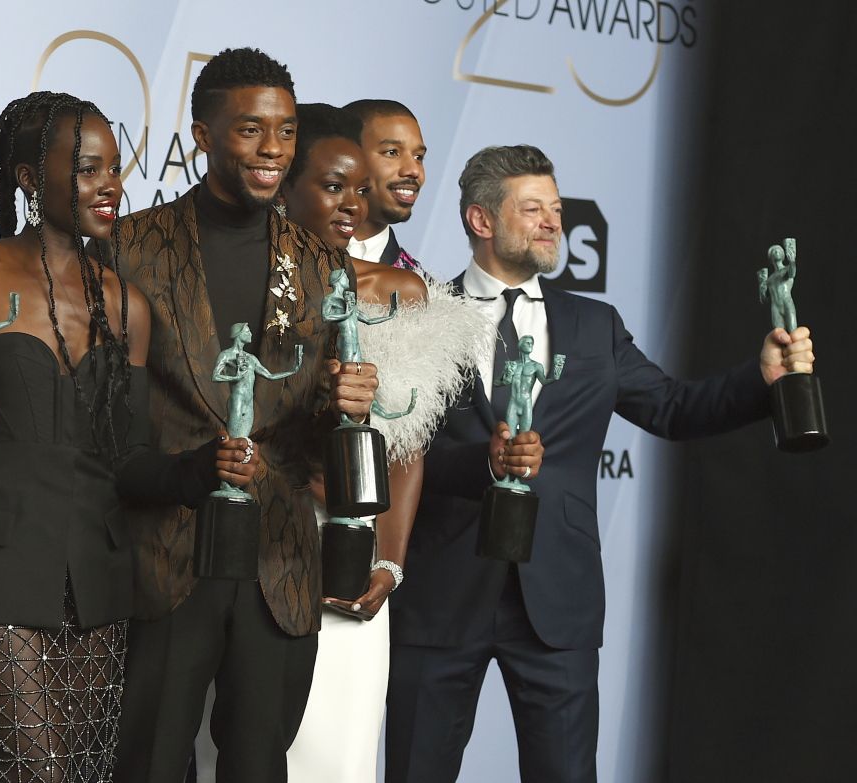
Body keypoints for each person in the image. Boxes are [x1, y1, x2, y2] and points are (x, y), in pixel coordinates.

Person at [384, 144, 818, 783]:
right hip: (442, 595)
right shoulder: (424, 313)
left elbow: (674, 410)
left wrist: (762, 380)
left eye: (556, 209)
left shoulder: (595, 325)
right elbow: (399, 452)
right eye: (533, 209)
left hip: (557, 600)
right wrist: (484, 461)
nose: (553, 222)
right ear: (481, 220)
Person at [0, 90, 258, 783]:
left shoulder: (126, 304)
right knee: (32, 772)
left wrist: (203, 467)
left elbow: (128, 462)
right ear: (29, 178)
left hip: (99, 584)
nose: (110, 184)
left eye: (114, 168)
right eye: (87, 169)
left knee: (84, 773)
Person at [106, 48, 380, 783]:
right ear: (202, 135)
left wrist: (346, 406)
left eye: (286, 132)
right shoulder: (129, 248)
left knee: (260, 767)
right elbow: (107, 429)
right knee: (148, 766)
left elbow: (319, 441)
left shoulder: (322, 264)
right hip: (164, 553)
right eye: (251, 130)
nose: (273, 150)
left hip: (278, 563)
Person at [276, 103, 486, 782]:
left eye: (419, 155)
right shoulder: (236, 283)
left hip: (353, 549)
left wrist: (389, 563)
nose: (353, 199)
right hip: (261, 540)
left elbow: (408, 445)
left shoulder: (403, 289)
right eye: (338, 182)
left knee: (341, 754)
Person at [342, 100, 429, 276]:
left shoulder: (422, 288)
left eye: (418, 157)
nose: (414, 170)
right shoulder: (286, 242)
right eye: (392, 152)